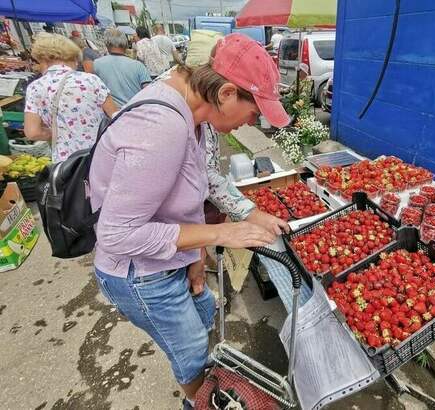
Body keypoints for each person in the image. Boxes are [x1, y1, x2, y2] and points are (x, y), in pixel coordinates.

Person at [89, 33, 291, 409]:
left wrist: (203, 251)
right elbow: (117, 234)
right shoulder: (160, 127)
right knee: (192, 351)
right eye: (255, 111)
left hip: (169, 261)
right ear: (227, 93)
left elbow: (198, 183)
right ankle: (202, 402)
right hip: (139, 274)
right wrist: (222, 232)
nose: (254, 121)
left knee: (202, 314)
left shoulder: (191, 110)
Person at [24, 33, 117, 162]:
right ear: (72, 58)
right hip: (100, 154)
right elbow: (115, 116)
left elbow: (32, 132)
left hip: (67, 163)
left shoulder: (35, 88)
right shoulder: (90, 80)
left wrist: (58, 132)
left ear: (41, 59)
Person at [94, 28, 151, 106]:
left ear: (107, 44)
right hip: (136, 110)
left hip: (112, 114)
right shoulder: (138, 65)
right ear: (125, 44)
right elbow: (149, 92)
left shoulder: (96, 64)